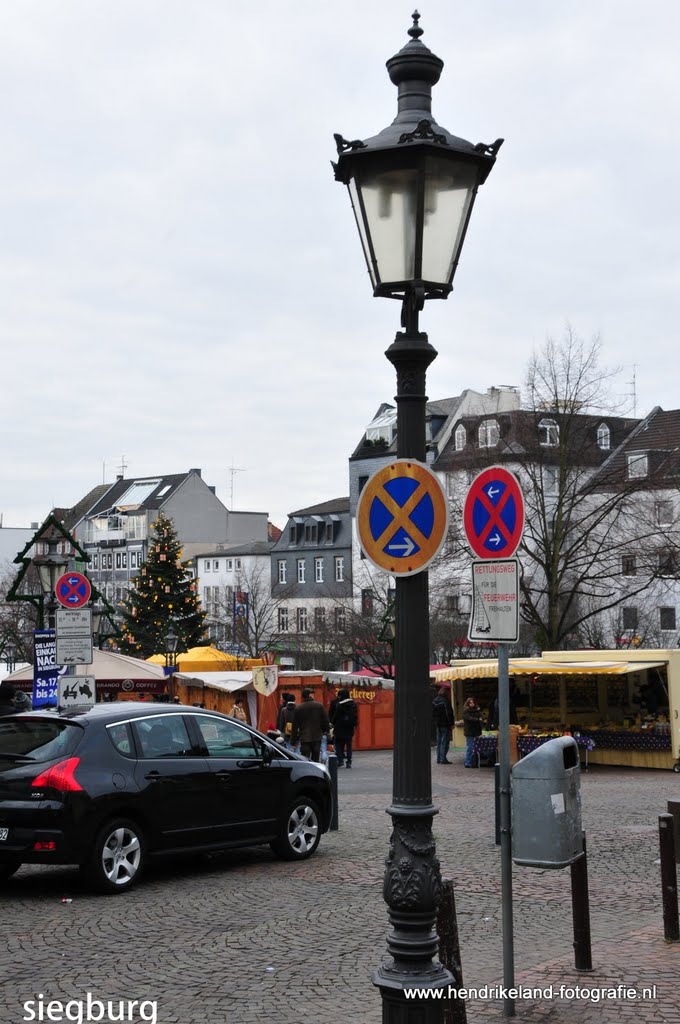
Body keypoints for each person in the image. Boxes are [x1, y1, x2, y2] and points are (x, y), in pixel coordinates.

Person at [292, 687, 329, 763]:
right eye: (312, 694)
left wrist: (294, 740)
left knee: (305, 759)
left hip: (304, 737)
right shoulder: (319, 706)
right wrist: (325, 731)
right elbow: (325, 720)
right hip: (317, 736)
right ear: (309, 695)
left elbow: (295, 725)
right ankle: (315, 773)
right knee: (315, 758)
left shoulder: (299, 708)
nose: (313, 696)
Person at [330, 687, 358, 768]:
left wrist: (332, 723)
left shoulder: (339, 705)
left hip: (339, 728)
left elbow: (335, 716)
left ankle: (340, 760)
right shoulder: (353, 704)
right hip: (349, 728)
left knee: (338, 744)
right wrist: (354, 724)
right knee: (349, 745)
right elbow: (355, 716)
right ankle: (349, 762)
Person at [432, 686, 454, 764]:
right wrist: (451, 723)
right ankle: (443, 759)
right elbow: (449, 713)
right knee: (444, 742)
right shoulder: (445, 701)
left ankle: (439, 758)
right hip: (445, 724)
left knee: (439, 742)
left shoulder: (434, 701)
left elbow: (433, 713)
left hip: (438, 724)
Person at [462, 696, 483, 768]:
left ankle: (474, 762)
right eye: (470, 703)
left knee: (476, 747)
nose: (472, 704)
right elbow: (469, 719)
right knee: (470, 747)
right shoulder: (466, 711)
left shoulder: (477, 710)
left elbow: (480, 718)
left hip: (476, 731)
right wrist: (477, 719)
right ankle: (468, 762)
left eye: (473, 702)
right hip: (469, 732)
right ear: (467, 704)